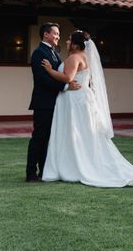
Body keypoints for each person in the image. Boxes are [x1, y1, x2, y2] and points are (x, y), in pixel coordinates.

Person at [40, 30, 133, 188]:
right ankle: (81, 163)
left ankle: (73, 167)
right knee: (83, 133)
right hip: (83, 98)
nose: (67, 42)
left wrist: (50, 71)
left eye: (69, 40)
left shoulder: (74, 58)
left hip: (74, 100)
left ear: (76, 44)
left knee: (73, 131)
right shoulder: (86, 57)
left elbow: (68, 78)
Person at [25, 22, 80, 182]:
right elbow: (43, 79)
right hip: (43, 102)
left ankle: (44, 171)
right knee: (39, 137)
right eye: (55, 33)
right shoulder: (38, 53)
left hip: (55, 103)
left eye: (58, 34)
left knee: (49, 138)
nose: (58, 37)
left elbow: (58, 73)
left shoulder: (54, 53)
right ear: (46, 35)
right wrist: (65, 86)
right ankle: (30, 172)